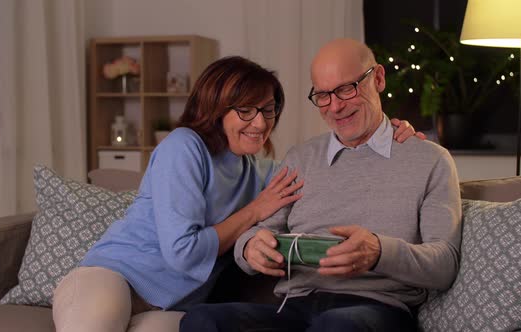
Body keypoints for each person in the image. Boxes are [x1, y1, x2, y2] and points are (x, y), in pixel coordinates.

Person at [52, 55, 419, 332]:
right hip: (116, 278)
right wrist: (254, 211)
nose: (260, 123)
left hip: (169, 307)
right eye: (245, 110)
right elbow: (183, 253)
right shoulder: (184, 147)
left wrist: (389, 133)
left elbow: (327, 176)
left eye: (268, 110)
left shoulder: (258, 172)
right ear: (215, 108)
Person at [180, 39, 461, 332]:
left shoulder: (429, 159)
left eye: (346, 89)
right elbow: (263, 229)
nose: (335, 106)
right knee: (201, 319)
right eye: (324, 95)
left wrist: (378, 252)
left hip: (378, 307)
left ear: (378, 78)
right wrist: (250, 247)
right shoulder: (300, 158)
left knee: (335, 326)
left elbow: (444, 264)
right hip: (295, 306)